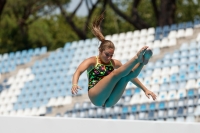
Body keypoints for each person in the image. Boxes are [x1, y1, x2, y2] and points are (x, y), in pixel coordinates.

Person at [71, 13, 157, 107]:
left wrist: (145, 89)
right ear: (100, 50)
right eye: (107, 54)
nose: (109, 58)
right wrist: (75, 84)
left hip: (109, 101)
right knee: (114, 74)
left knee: (126, 77)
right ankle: (137, 58)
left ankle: (143, 61)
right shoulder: (92, 61)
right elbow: (78, 71)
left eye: (111, 55)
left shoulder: (114, 62)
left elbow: (131, 74)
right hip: (96, 96)